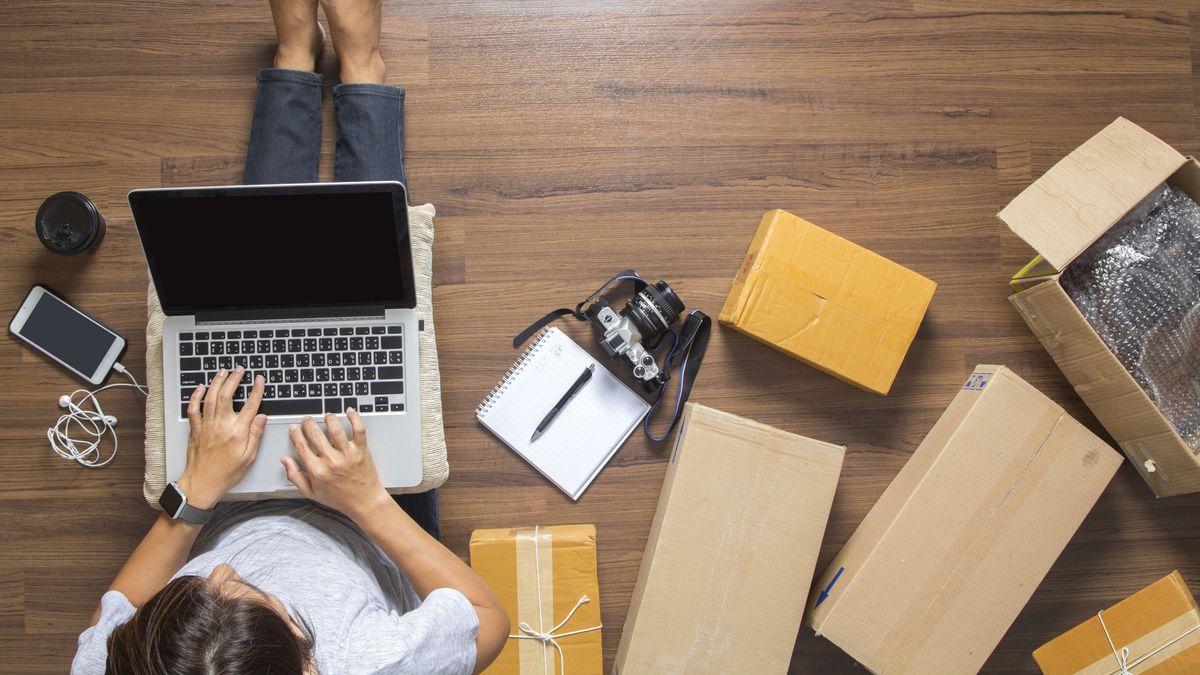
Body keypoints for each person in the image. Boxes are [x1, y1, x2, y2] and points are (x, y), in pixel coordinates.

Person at [70, 0, 510, 672]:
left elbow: (113, 617)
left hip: (223, 502)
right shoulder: (367, 662)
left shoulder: (124, 662)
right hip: (373, 523)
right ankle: (362, 69)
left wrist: (193, 496)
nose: (221, 574)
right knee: (363, 276)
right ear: (308, 658)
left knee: (258, 283)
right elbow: (487, 621)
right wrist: (366, 499)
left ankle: (295, 60)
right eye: (244, 590)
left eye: (195, 589)